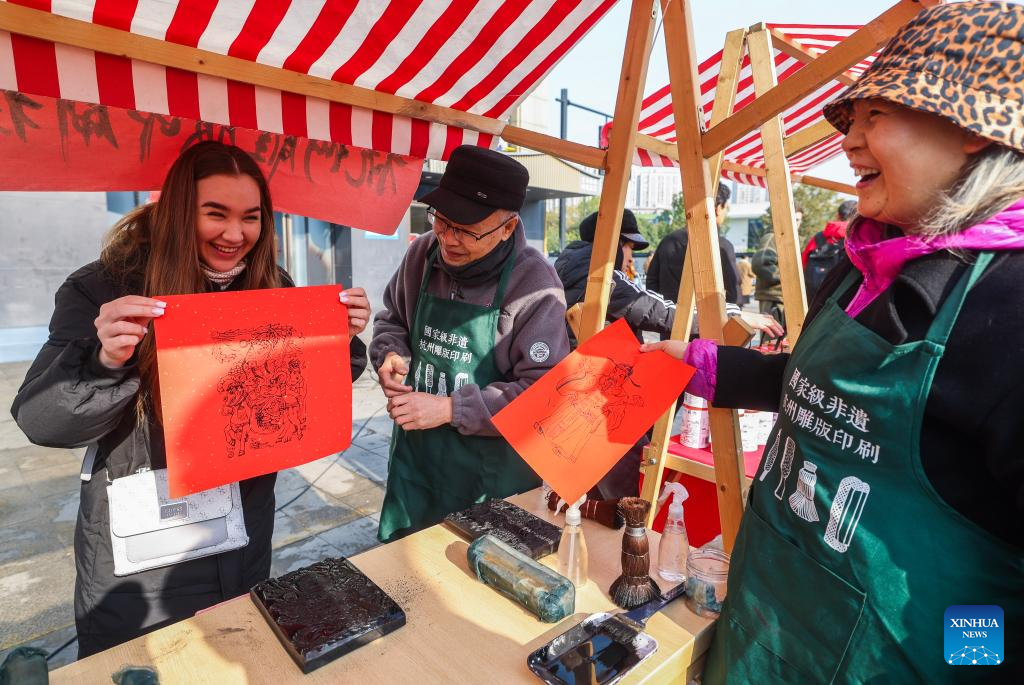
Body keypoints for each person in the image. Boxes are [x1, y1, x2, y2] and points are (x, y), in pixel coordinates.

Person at [644, 3, 1024, 681]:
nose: (849, 141)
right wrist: (701, 364)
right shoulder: (862, 261)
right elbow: (813, 384)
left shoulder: (1010, 305)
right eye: (851, 121)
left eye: (874, 116)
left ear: (971, 126)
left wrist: (969, 654)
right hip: (766, 628)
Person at [10, 142, 371, 656]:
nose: (234, 234)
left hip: (243, 529)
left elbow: (315, 385)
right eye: (215, 213)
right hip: (144, 554)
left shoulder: (269, 284)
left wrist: (337, 338)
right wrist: (106, 360)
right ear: (181, 210)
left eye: (251, 217)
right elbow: (41, 420)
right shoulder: (104, 288)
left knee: (236, 654)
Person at [371, 145, 569, 542]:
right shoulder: (422, 254)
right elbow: (391, 318)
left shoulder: (536, 286)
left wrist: (449, 408)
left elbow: (544, 395)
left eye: (466, 230)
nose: (449, 239)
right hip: (418, 467)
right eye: (442, 222)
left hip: (491, 480)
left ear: (508, 227)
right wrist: (391, 353)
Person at [554, 209, 782, 498]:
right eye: (629, 247)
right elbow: (662, 312)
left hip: (576, 385)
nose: (630, 257)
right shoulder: (602, 274)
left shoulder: (566, 268)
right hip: (607, 391)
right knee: (621, 487)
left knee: (582, 479)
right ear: (615, 243)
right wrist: (736, 316)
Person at [646, 183, 741, 305]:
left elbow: (652, 283)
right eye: (725, 208)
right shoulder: (722, 246)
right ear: (718, 209)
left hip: (666, 319)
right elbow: (733, 294)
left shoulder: (668, 241)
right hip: (705, 322)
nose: (725, 213)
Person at [751, 206, 803, 335]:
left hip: (788, 299)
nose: (795, 223)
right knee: (772, 343)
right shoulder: (772, 237)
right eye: (793, 219)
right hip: (774, 299)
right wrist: (790, 280)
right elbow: (760, 264)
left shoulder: (792, 241)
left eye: (798, 220)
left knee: (787, 342)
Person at [802, 199, 857, 300]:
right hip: (838, 301)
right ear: (857, 217)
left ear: (838, 215)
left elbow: (803, 264)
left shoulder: (818, 237)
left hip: (811, 297)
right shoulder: (856, 239)